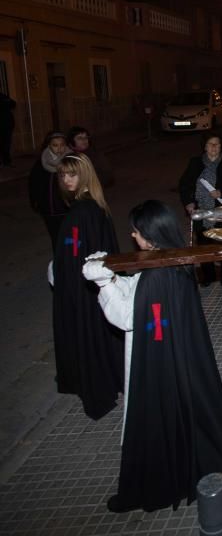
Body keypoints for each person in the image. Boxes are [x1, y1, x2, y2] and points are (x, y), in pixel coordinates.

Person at [82, 200, 222, 513]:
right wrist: (116, 275)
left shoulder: (157, 275)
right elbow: (140, 293)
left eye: (136, 232)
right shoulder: (172, 260)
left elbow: (127, 316)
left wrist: (103, 281)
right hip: (181, 354)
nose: (132, 237)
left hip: (158, 360)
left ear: (150, 234)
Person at [51, 153, 123, 420]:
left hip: (83, 289)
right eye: (62, 175)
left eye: (72, 174)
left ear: (84, 175)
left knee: (89, 336)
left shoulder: (83, 211)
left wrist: (63, 272)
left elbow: (75, 254)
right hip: (92, 285)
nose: (67, 180)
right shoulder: (94, 207)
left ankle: (98, 385)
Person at [179, 133, 222, 286]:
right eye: (210, 144)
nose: (214, 147)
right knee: (204, 247)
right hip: (201, 211)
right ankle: (208, 276)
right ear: (205, 147)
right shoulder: (195, 163)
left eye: (217, 144)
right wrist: (189, 203)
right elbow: (185, 185)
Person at [29, 132, 71, 251]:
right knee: (56, 238)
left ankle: (74, 259)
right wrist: (36, 202)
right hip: (49, 210)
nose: (59, 148)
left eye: (62, 145)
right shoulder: (41, 163)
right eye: (55, 145)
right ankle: (59, 260)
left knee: (72, 236)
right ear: (48, 146)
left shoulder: (72, 161)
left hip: (67, 208)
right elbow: (34, 184)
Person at [0, 91, 16, 168]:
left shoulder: (3, 96)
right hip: (6, 124)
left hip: (7, 124)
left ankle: (6, 161)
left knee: (6, 144)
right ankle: (5, 161)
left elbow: (13, 104)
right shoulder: (4, 98)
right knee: (5, 144)